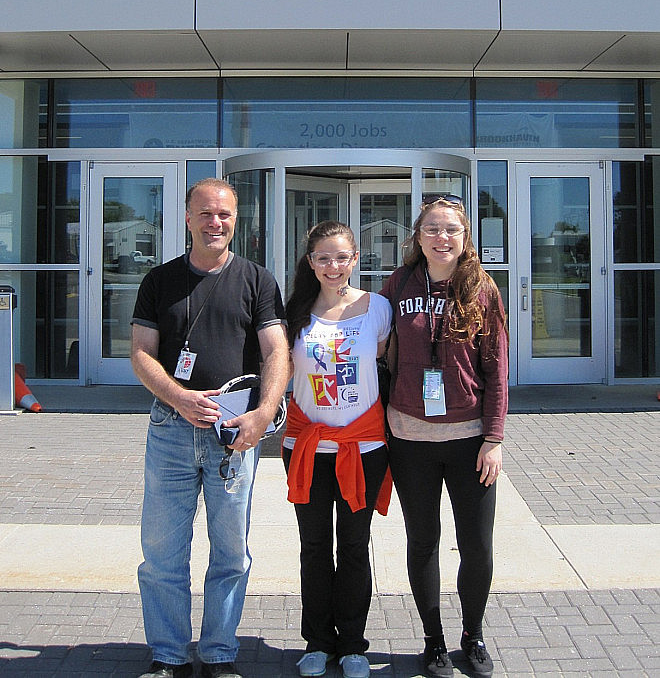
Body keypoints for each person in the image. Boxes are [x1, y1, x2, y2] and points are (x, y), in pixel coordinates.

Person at [131, 178, 289, 678]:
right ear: (186, 217)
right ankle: (169, 656)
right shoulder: (158, 280)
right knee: (161, 553)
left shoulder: (257, 280)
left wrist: (264, 414)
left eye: (223, 214)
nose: (214, 222)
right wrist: (177, 397)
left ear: (235, 219)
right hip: (170, 431)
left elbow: (275, 351)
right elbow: (140, 353)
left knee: (231, 553)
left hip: (233, 435)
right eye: (205, 213)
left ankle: (219, 653)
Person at [380, 195, 508, 678]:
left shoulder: (482, 290)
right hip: (409, 437)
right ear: (418, 236)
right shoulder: (398, 284)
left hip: (469, 438)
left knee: (477, 545)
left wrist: (493, 438)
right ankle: (433, 641)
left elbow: (497, 372)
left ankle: (472, 635)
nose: (441, 237)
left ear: (465, 237)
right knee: (423, 541)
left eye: (451, 229)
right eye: (432, 229)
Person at [283, 221, 392, 678]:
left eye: (341, 257)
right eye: (323, 258)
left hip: (362, 448)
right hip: (305, 446)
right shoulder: (292, 313)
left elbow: (387, 366)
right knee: (313, 546)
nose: (333, 266)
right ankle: (317, 642)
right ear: (310, 262)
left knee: (353, 545)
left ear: (355, 259)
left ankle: (352, 645)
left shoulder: (377, 308)